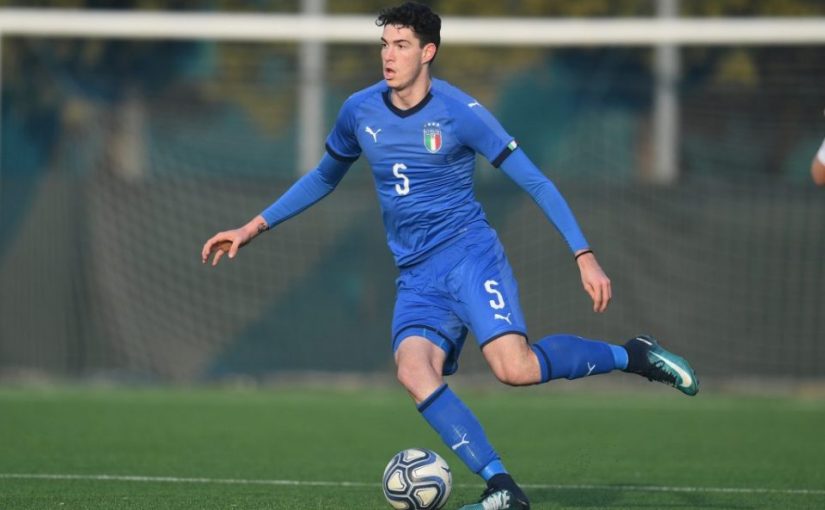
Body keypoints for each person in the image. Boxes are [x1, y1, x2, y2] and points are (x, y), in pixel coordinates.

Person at [201, 3, 699, 509]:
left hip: (469, 258)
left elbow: (536, 182)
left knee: (515, 369)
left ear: (428, 52)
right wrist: (252, 227)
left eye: (401, 45)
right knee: (413, 370)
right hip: (416, 276)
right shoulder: (359, 110)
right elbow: (323, 177)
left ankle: (633, 355)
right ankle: (503, 488)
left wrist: (583, 254)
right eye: (385, 45)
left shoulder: (461, 112)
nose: (389, 56)